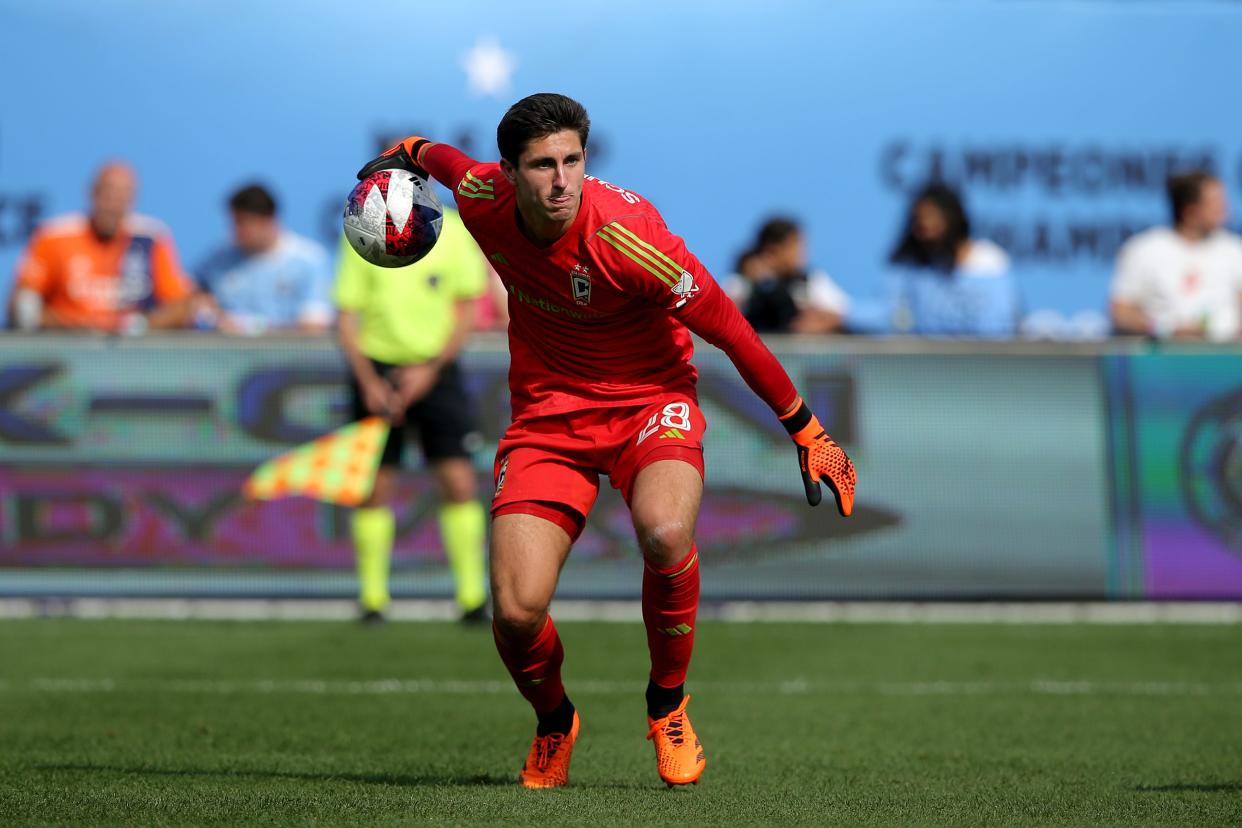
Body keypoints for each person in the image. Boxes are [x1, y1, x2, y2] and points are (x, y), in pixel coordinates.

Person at [354, 93, 856, 789]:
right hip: (548, 418)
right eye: (541, 166)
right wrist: (407, 152)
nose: (561, 180)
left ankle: (667, 705)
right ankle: (556, 722)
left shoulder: (629, 237)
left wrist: (807, 429)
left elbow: (732, 332)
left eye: (573, 161)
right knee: (517, 609)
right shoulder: (480, 197)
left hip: (651, 403)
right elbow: (438, 158)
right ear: (510, 171)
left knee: (664, 530)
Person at [334, 203, 490, 625]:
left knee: (457, 480)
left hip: (436, 368)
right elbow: (347, 316)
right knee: (374, 485)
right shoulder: (361, 229)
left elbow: (466, 309)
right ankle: (373, 599)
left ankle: (473, 597)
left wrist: (431, 370)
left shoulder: (454, 231)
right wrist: (369, 382)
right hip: (377, 369)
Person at [8, 162, 195, 333]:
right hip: (66, 349)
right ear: (92, 193)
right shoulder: (55, 236)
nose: (113, 206)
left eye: (123, 198)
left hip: (133, 355)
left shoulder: (150, 238)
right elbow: (22, 302)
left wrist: (139, 326)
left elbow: (179, 306)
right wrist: (70, 325)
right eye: (108, 195)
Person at [1110, 170, 1242, 341]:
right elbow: (1121, 311)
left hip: (1224, 359)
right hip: (1162, 359)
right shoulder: (1143, 249)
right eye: (1216, 205)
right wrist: (1164, 329)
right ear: (1190, 212)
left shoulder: (1234, 250)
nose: (1225, 213)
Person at [880, 182, 1017, 337]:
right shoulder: (914, 268)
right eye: (919, 222)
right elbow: (893, 316)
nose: (924, 231)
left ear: (951, 219)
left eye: (931, 220)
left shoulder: (990, 263)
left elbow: (998, 331)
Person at [195, 184, 334, 334]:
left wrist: (250, 328)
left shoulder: (310, 260)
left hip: (289, 357)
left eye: (244, 223)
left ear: (269, 220)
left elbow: (313, 328)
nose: (237, 231)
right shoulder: (219, 257)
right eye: (234, 222)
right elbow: (192, 299)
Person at [723, 216, 847, 334]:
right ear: (772, 249)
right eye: (795, 246)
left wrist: (802, 326)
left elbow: (838, 314)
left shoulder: (810, 280)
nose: (800, 253)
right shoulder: (741, 281)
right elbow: (723, 315)